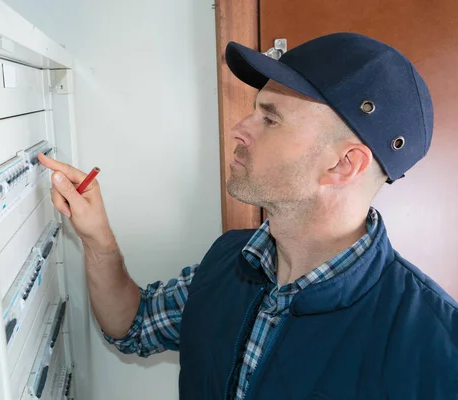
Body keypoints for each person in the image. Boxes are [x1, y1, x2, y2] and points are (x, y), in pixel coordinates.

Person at [38, 33, 458, 399]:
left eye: (270, 118)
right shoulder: (230, 260)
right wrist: (96, 237)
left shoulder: (435, 345)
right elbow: (133, 324)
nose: (240, 128)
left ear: (344, 165)